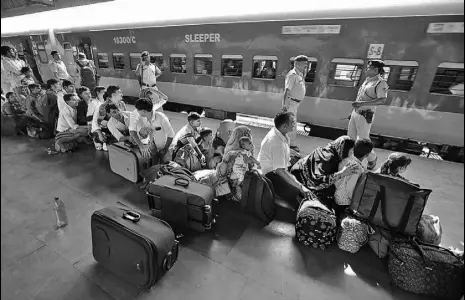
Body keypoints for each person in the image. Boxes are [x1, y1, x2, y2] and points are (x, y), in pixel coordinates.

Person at [257, 112, 311, 207]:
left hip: (277, 166)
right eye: (293, 123)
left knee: (301, 164)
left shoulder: (279, 132)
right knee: (296, 191)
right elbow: (280, 171)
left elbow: (282, 150)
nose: (295, 124)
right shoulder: (276, 142)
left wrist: (293, 153)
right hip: (271, 174)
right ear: (285, 126)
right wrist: (300, 187)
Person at [291, 135, 359, 209]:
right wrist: (342, 173)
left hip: (295, 173)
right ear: (344, 149)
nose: (352, 154)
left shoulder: (323, 149)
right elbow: (318, 181)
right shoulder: (330, 159)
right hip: (302, 183)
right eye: (351, 151)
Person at [348, 60, 389, 171]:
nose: (367, 69)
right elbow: (359, 97)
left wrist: (362, 104)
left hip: (365, 115)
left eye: (369, 68)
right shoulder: (367, 81)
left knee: (363, 140)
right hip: (356, 113)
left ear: (376, 70)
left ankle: (372, 158)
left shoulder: (381, 83)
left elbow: (382, 100)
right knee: (350, 138)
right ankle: (350, 160)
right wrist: (353, 111)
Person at [129, 98, 175, 165]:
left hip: (165, 149)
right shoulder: (143, 118)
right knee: (154, 167)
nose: (137, 112)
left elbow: (171, 135)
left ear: (144, 111)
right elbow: (133, 132)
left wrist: (165, 149)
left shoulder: (161, 118)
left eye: (138, 110)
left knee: (165, 168)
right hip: (153, 148)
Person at [334, 139, 373, 214]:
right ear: (367, 154)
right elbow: (350, 188)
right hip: (344, 202)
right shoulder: (357, 168)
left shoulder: (345, 160)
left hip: (336, 196)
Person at [282, 55, 309, 152]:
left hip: (295, 104)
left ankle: (288, 143)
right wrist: (285, 105)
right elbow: (287, 91)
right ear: (297, 64)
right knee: (291, 124)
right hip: (291, 103)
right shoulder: (292, 75)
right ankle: (291, 145)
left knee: (291, 123)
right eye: (304, 64)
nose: (306, 66)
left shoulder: (300, 74)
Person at [91, 85, 127, 151]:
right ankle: (97, 139)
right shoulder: (103, 106)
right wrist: (100, 134)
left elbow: (125, 117)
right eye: (119, 92)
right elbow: (96, 122)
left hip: (120, 127)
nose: (122, 94)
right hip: (108, 129)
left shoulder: (122, 104)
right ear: (113, 94)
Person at [228, 136, 261, 201]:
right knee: (242, 176)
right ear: (243, 146)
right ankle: (237, 184)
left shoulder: (247, 152)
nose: (251, 145)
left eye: (251, 143)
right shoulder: (242, 152)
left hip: (243, 167)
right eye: (249, 144)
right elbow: (246, 160)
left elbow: (252, 158)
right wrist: (252, 161)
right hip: (238, 168)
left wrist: (257, 163)